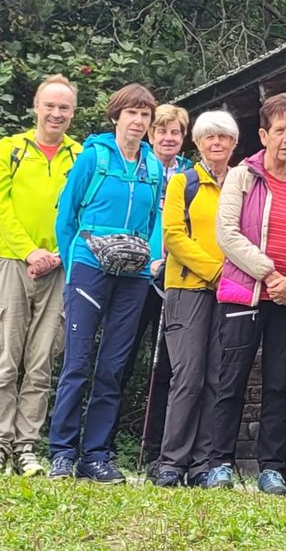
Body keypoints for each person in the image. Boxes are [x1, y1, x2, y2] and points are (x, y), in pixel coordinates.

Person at [206, 93, 286, 494]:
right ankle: (219, 463)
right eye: (280, 130)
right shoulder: (242, 176)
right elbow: (227, 233)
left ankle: (273, 467)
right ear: (264, 134)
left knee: (284, 385)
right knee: (231, 381)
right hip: (245, 296)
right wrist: (270, 273)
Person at [48, 84, 165, 483]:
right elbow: (66, 215)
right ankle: (62, 452)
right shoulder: (93, 157)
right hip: (88, 266)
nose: (138, 121)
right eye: (131, 113)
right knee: (77, 361)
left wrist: (148, 259)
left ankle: (96, 455)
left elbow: (154, 225)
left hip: (133, 275)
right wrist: (72, 263)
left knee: (113, 367)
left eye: (145, 115)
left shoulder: (154, 168)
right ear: (116, 117)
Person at [0, 74, 82, 476]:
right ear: (36, 107)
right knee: (5, 358)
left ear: (72, 113)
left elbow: (81, 209)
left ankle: (26, 447)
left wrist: (57, 253)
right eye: (50, 105)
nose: (56, 113)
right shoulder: (10, 148)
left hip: (59, 268)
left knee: (41, 362)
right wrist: (29, 250)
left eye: (64, 107)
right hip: (11, 262)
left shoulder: (80, 155)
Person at [152, 110, 238, 488]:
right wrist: (215, 271)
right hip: (188, 288)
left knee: (218, 377)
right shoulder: (183, 182)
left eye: (223, 138)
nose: (216, 144)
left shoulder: (242, 182)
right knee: (187, 374)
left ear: (234, 144)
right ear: (198, 143)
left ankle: (204, 463)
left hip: (231, 293)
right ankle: (172, 460)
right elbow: (172, 236)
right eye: (209, 138)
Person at [125, 103, 193, 475]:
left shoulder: (187, 175)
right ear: (151, 135)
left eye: (175, 132)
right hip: (139, 273)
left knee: (166, 367)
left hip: (174, 278)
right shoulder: (141, 168)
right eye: (162, 131)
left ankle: (156, 452)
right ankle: (100, 446)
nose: (168, 138)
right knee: (123, 358)